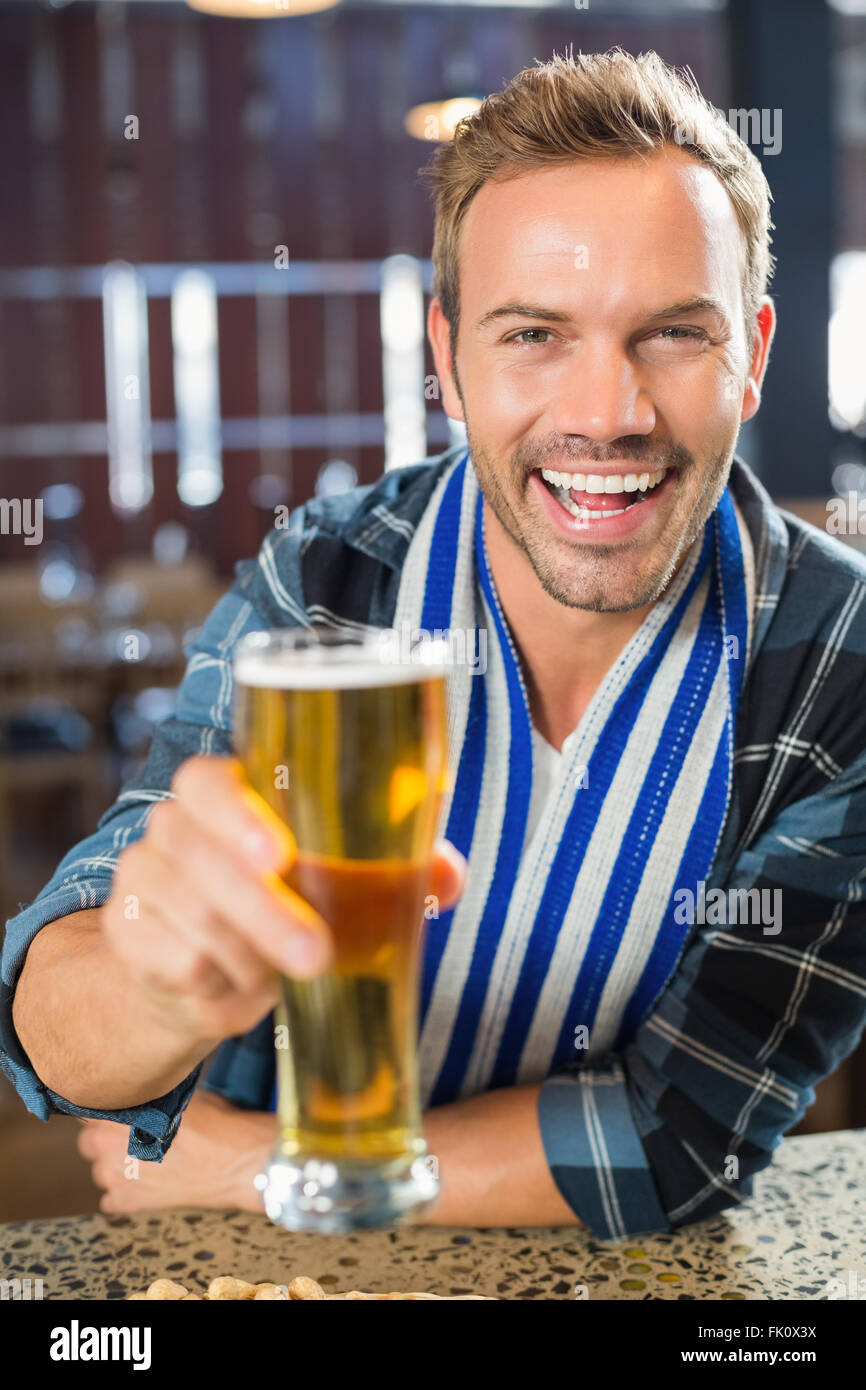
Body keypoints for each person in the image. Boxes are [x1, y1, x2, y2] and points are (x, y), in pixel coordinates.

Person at [3, 48, 866, 1241]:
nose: (605, 412)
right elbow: (55, 1033)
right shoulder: (326, 574)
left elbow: (679, 1135)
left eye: (672, 333)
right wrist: (154, 976)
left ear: (754, 353)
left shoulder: (838, 659)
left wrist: (244, 1163)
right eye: (533, 334)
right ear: (447, 357)